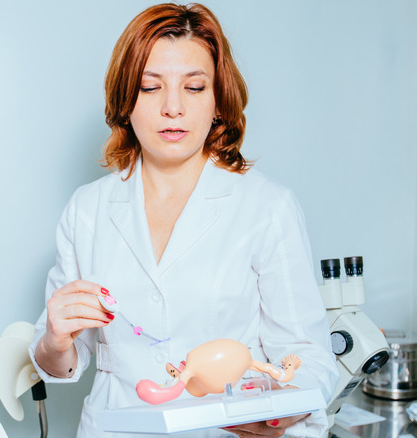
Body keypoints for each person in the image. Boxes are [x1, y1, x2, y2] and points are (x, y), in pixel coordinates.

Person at [29, 4, 338, 437]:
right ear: (125, 101)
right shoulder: (88, 209)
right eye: (150, 87)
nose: (173, 108)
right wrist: (54, 340)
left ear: (217, 101)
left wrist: (282, 413)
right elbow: (61, 365)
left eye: (194, 87)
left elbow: (308, 357)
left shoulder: (267, 206)